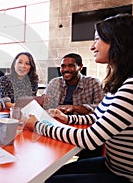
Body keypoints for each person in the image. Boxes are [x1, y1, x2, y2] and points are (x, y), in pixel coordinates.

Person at [25, 14, 133, 183]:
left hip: (124, 175)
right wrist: (67, 118)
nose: (92, 47)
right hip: (112, 165)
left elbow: (90, 139)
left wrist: (38, 126)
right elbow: (100, 117)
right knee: (49, 173)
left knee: (50, 180)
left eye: (97, 39)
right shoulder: (119, 83)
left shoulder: (131, 87)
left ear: (118, 42)